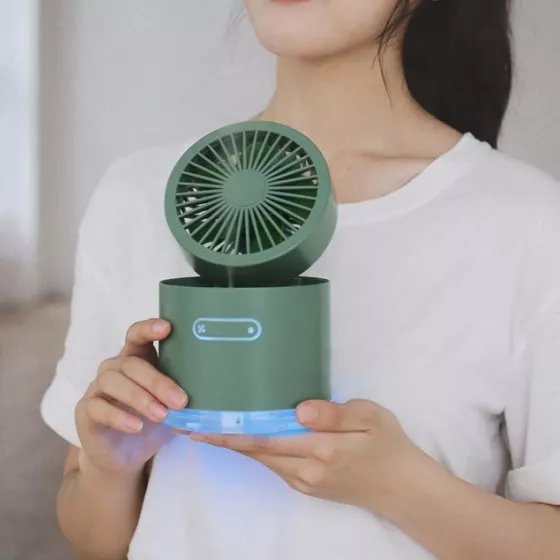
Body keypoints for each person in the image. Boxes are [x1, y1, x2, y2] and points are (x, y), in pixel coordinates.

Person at [41, 0, 560, 559]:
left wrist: (401, 485)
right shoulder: (141, 196)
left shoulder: (526, 223)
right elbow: (94, 540)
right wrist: (110, 468)